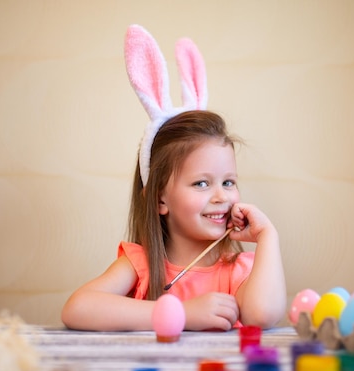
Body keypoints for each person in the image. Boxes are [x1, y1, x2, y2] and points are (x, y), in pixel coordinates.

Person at [61, 25, 286, 332]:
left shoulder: (238, 270)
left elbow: (263, 315)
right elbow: (77, 309)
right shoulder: (140, 265)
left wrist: (267, 236)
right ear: (159, 199)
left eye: (228, 182)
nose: (221, 196)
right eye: (202, 183)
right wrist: (179, 313)